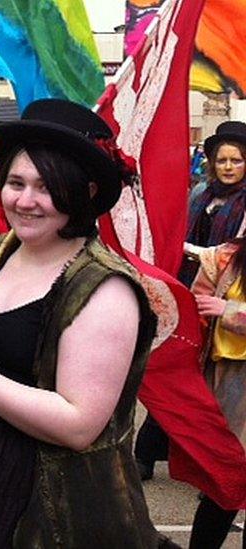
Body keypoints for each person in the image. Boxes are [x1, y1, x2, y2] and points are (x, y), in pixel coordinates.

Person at [0, 99, 160, 548]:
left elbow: (78, 425)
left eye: (46, 187)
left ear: (85, 193)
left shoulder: (105, 289)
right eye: (16, 182)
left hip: (41, 500)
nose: (25, 201)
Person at [139, 121, 246, 479]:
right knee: (175, 368)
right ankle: (146, 453)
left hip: (227, 296)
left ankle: (212, 465)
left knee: (209, 387)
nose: (228, 167)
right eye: (222, 160)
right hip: (188, 289)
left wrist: (197, 253)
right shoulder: (200, 194)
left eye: (237, 160)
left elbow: (231, 252)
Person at [189, 237, 246, 548]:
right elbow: (193, 311)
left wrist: (231, 312)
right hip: (227, 385)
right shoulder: (224, 258)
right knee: (224, 486)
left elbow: (219, 309)